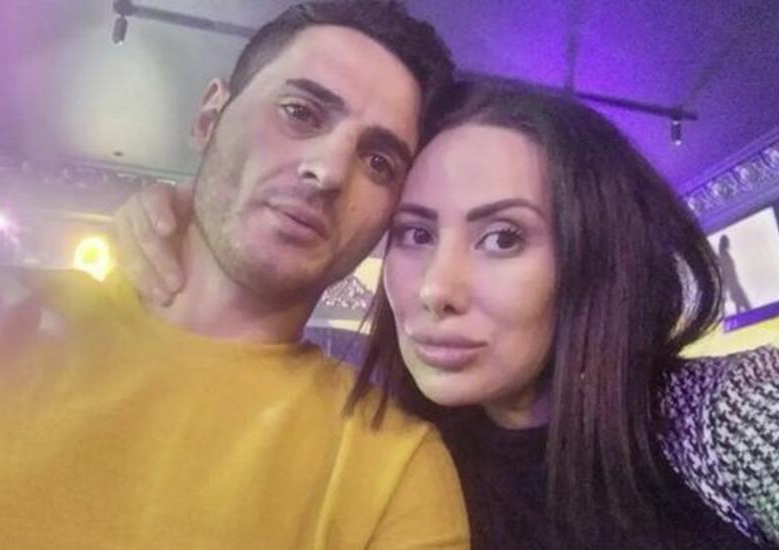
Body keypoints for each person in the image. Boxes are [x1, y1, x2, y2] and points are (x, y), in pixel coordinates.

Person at [122, 77, 779, 549]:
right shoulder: (384, 456)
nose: (437, 289)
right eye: (415, 234)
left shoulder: (724, 418)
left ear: (596, 257)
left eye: (503, 238)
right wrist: (202, 245)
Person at [0, 2, 471, 548]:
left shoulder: (393, 469)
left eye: (379, 162)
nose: (329, 171)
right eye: (300, 112)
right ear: (209, 117)